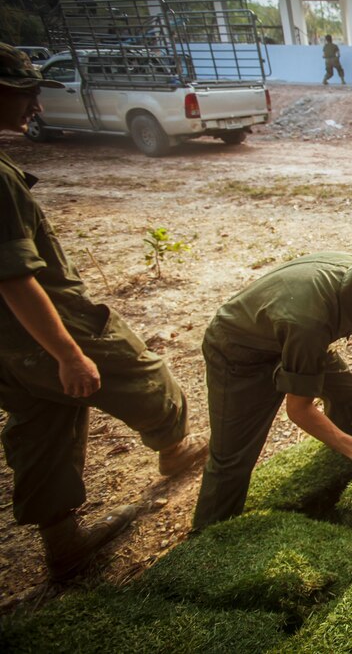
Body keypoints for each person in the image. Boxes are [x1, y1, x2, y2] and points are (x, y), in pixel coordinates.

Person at [0, 44, 207, 581]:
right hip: (46, 324)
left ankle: (63, 544)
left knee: (42, 419)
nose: (35, 107)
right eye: (25, 94)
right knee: (146, 375)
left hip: (7, 342)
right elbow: (16, 280)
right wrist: (68, 353)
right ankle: (174, 448)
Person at [191, 245, 352, 530]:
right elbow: (299, 410)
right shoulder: (311, 321)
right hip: (240, 351)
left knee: (347, 392)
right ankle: (206, 536)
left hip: (292, 335)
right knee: (232, 458)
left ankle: (345, 462)